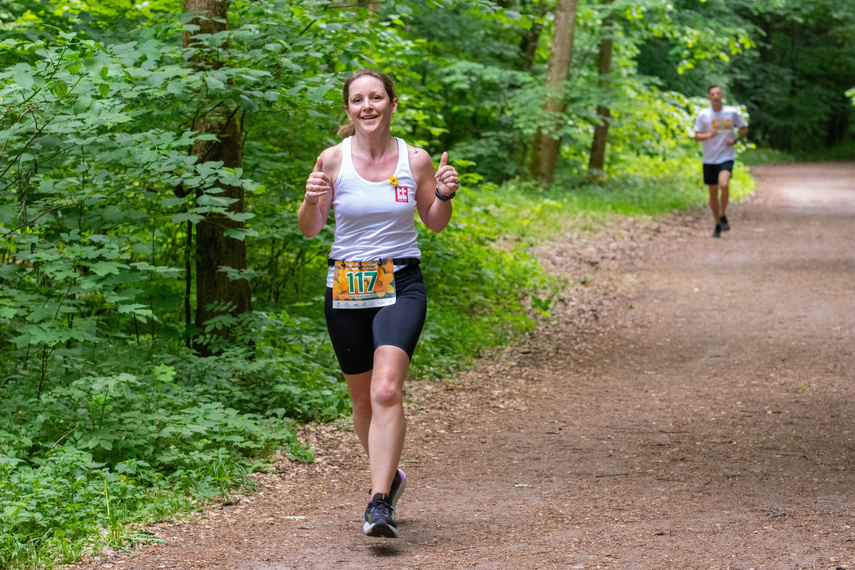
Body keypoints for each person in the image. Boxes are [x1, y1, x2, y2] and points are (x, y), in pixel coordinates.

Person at [298, 69, 459, 539]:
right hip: (346, 284)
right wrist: (309, 202)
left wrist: (445, 194)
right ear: (348, 110)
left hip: (400, 280)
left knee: (386, 389)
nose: (367, 106)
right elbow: (311, 228)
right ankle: (390, 479)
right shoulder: (331, 160)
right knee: (362, 399)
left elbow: (435, 221)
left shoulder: (415, 159)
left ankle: (378, 502)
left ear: (392, 103)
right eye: (357, 100)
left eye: (376, 97)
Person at [693, 84, 749, 238]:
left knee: (723, 184)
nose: (716, 96)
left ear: (722, 95)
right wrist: (710, 135)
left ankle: (723, 213)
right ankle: (717, 223)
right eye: (713, 94)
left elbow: (744, 128)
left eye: (718, 93)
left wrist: (736, 140)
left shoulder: (731, 112)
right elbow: (696, 136)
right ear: (709, 97)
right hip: (709, 159)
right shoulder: (703, 115)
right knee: (712, 193)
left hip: (726, 156)